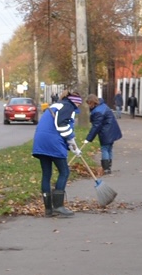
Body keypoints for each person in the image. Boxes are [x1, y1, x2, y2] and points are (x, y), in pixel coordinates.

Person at [32, 89, 82, 218]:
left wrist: (71, 145)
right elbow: (61, 126)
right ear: (76, 102)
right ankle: (59, 206)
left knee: (46, 174)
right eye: (79, 104)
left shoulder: (56, 105)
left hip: (40, 141)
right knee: (64, 172)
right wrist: (72, 141)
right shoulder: (68, 106)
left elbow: (56, 127)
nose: (79, 107)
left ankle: (48, 210)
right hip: (52, 143)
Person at [85, 94, 124, 175]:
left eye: (89, 103)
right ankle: (108, 167)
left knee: (104, 148)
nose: (88, 105)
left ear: (93, 102)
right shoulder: (103, 105)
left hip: (106, 132)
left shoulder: (98, 111)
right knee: (109, 148)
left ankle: (106, 168)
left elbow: (96, 126)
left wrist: (88, 139)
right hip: (112, 130)